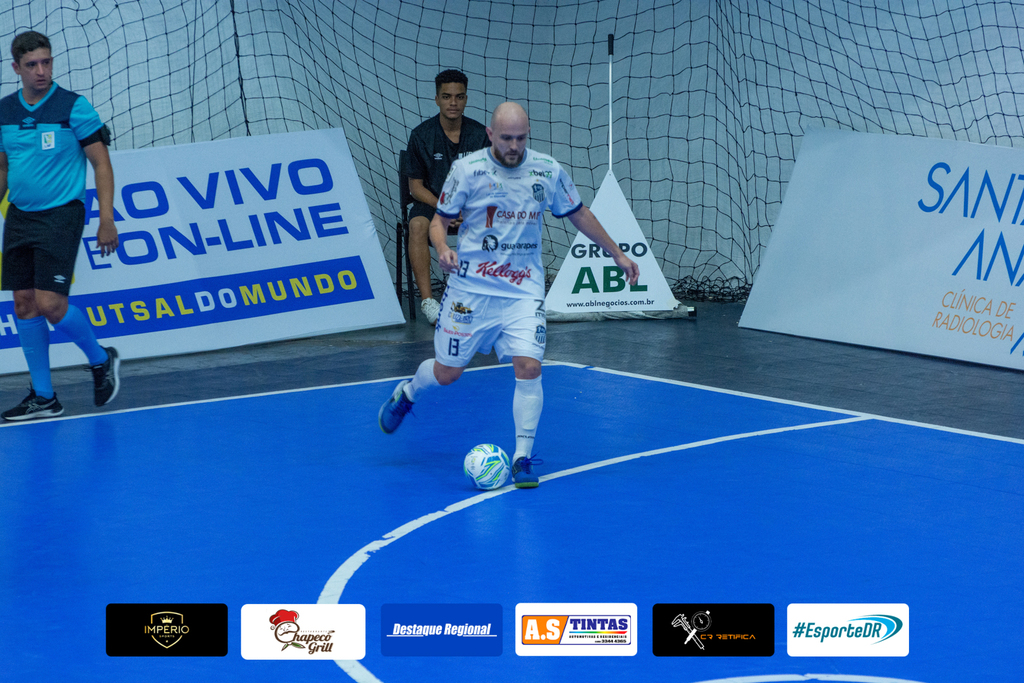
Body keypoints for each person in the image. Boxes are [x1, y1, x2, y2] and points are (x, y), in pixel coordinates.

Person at [380, 102, 639, 488]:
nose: (514, 146)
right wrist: (442, 249)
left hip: (522, 290)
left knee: (530, 368)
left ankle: (522, 457)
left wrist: (617, 252)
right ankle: (409, 392)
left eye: (521, 138)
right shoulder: (467, 171)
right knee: (447, 373)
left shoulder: (547, 170)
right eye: (506, 138)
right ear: (490, 134)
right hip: (471, 291)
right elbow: (439, 221)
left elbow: (577, 212)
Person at [0, 30, 120, 421]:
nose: (42, 71)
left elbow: (101, 164)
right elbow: (3, 169)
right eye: (32, 65)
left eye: (47, 62)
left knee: (50, 303)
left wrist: (106, 218)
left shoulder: (74, 107)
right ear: (16, 68)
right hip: (19, 215)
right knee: (23, 304)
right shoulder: (4, 112)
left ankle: (101, 359)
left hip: (61, 213)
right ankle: (45, 397)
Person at [404, 69, 488, 324]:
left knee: (496, 219)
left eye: (459, 97)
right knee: (416, 225)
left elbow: (489, 181)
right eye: (447, 96)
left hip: (469, 205)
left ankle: (482, 295)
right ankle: (429, 303)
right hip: (432, 203)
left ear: (466, 99)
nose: (453, 103)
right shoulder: (421, 135)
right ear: (437, 99)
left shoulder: (480, 134)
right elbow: (415, 187)